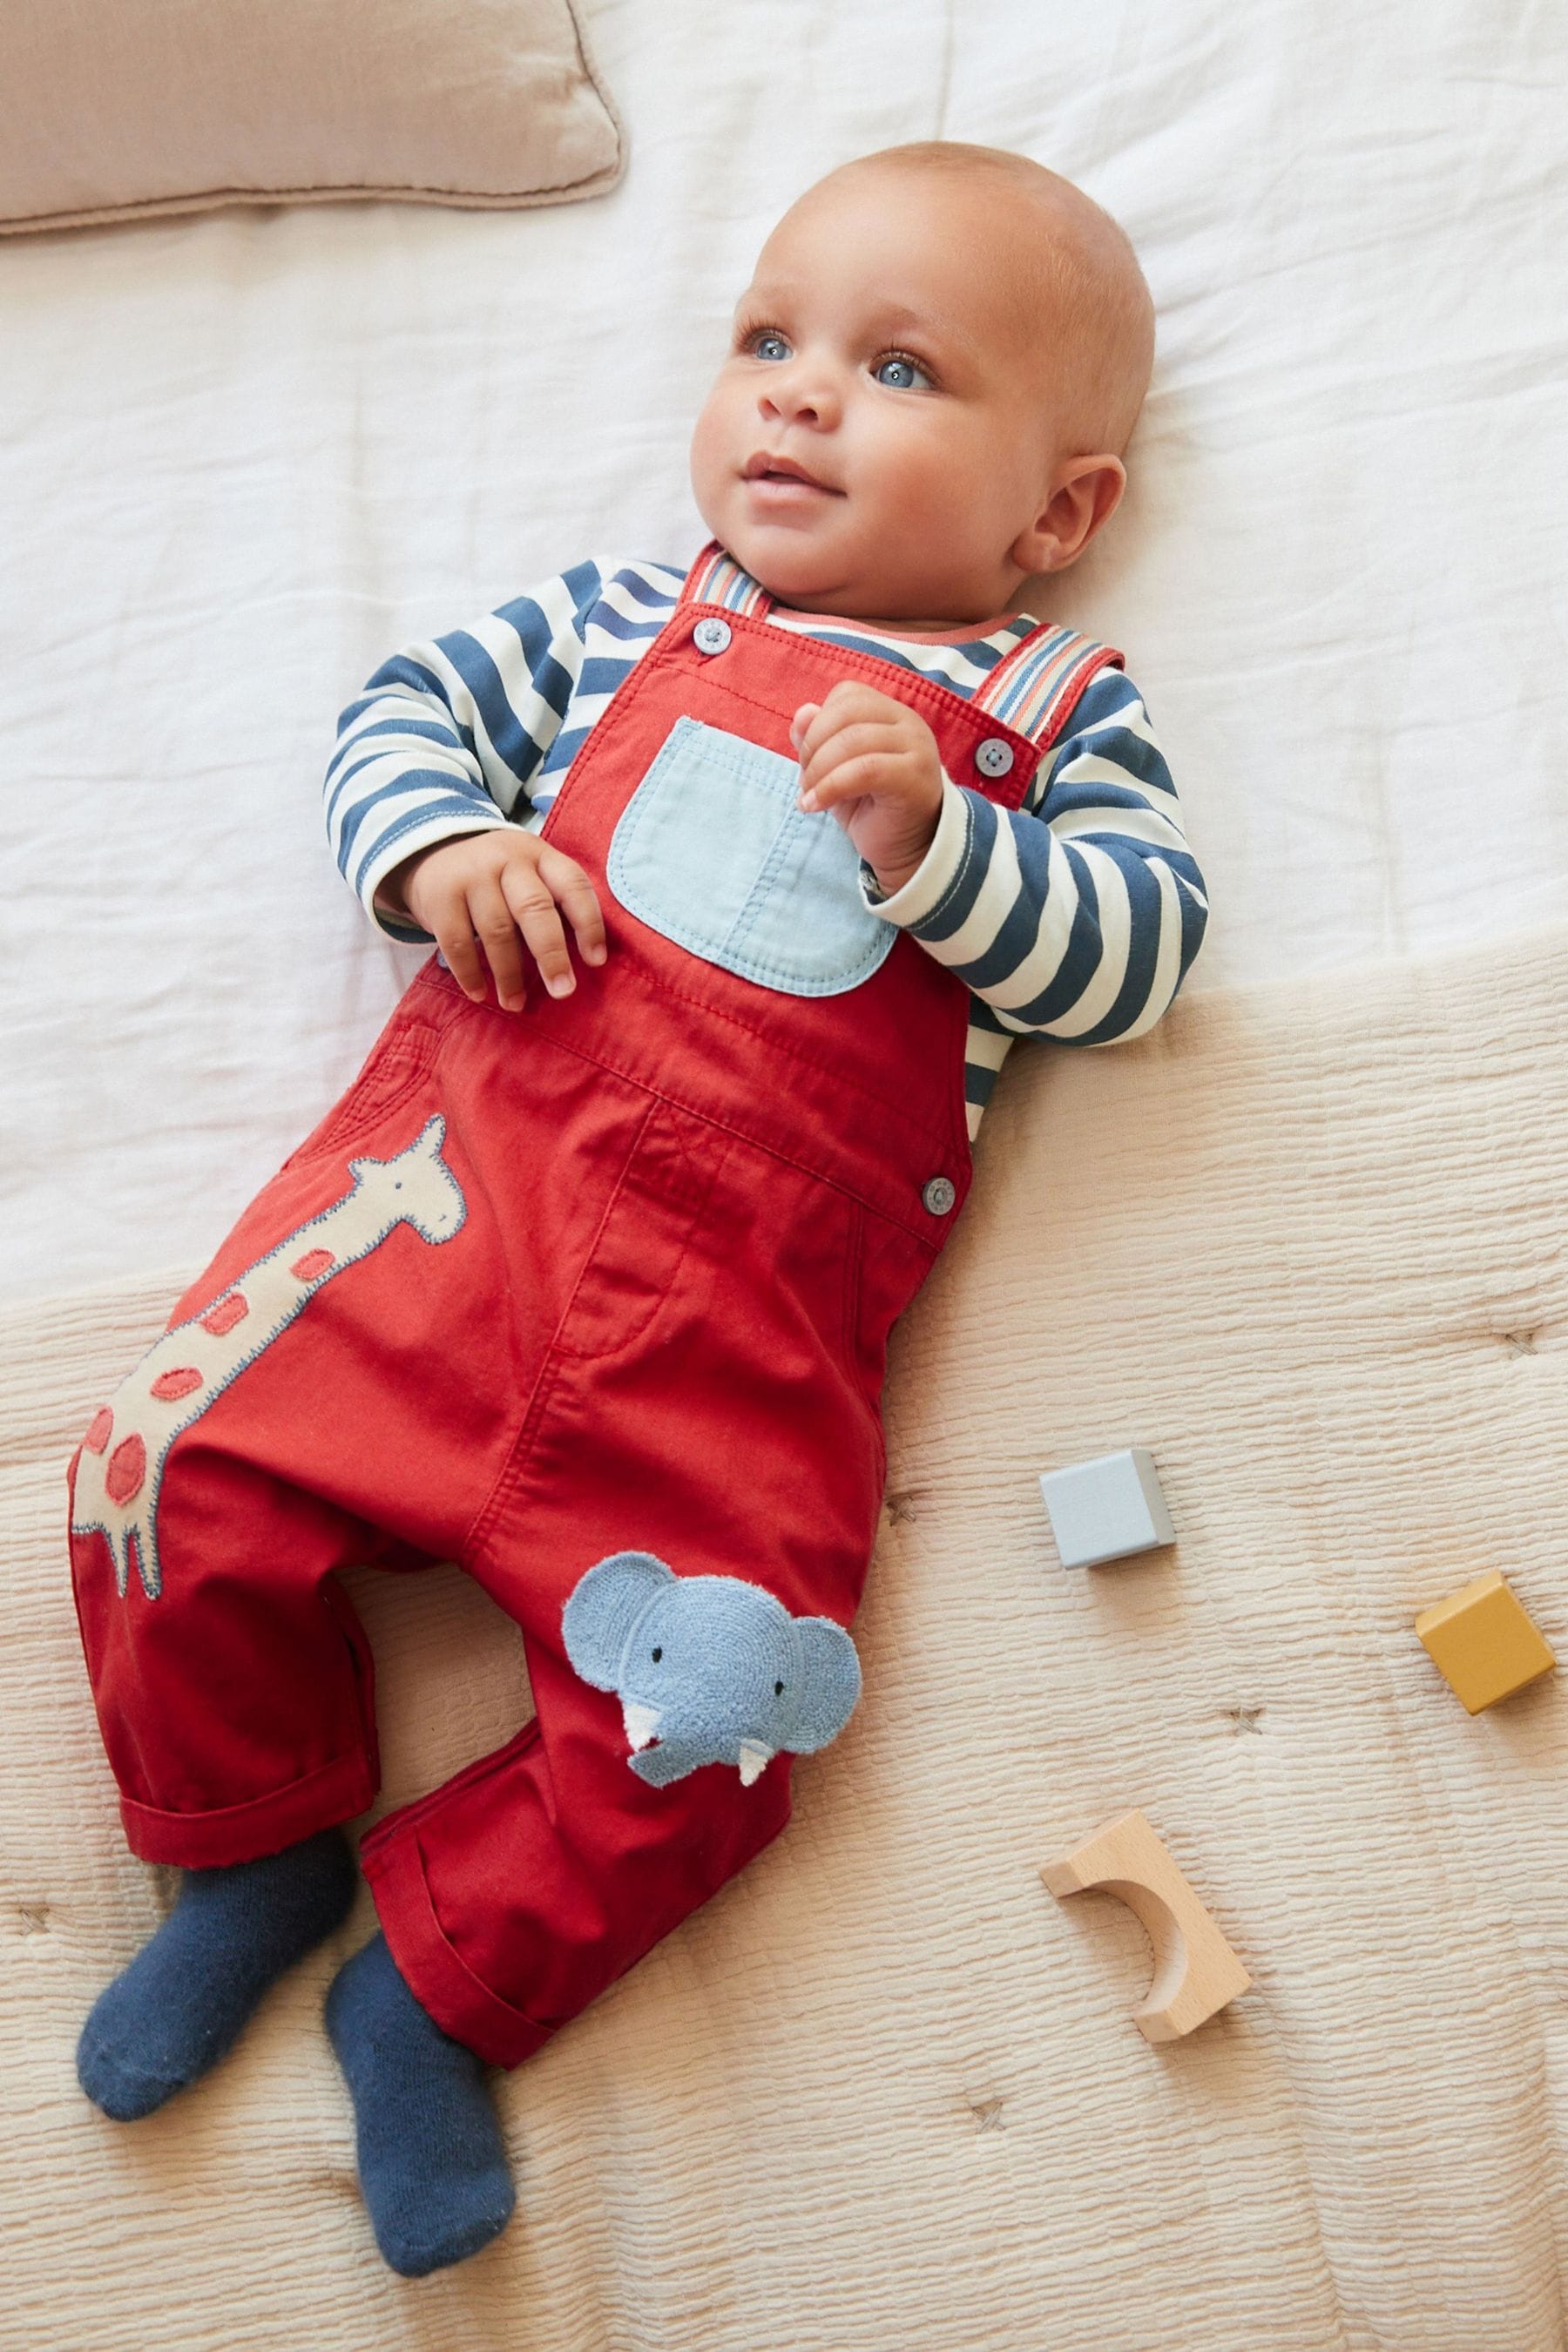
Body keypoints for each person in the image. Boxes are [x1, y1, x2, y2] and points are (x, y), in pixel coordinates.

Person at [66, 141, 1209, 2277]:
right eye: (766, 341)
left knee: (731, 1735)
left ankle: (431, 1973)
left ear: (1055, 514)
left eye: (893, 367)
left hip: (737, 1351)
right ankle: (256, 1844)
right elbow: (399, 715)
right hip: (447, 1225)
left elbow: (1140, 951)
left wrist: (936, 846)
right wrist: (436, 862)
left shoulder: (1057, 720)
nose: (792, 397)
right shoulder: (621, 618)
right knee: (155, 1475)